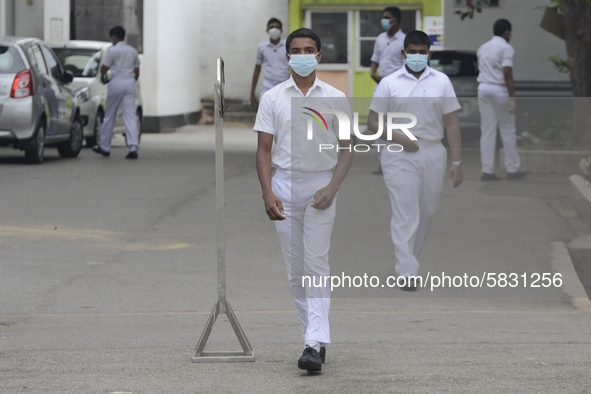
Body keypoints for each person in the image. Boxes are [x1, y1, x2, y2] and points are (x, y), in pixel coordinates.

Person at [254, 28, 354, 372]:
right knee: (296, 271)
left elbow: (347, 150)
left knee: (316, 264)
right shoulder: (273, 98)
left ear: (319, 56)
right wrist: (268, 191)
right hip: (284, 186)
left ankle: (313, 344)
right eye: (295, 50)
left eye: (308, 49)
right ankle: (313, 337)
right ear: (286, 56)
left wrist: (333, 187)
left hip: (320, 187)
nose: (302, 54)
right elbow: (264, 150)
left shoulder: (335, 97)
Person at [367, 30, 463, 290]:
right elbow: (373, 122)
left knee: (427, 212)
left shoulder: (441, 81)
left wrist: (457, 162)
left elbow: (451, 123)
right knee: (405, 211)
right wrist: (400, 139)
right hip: (398, 153)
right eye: (413, 51)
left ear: (429, 54)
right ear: (403, 53)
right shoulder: (389, 82)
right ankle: (407, 271)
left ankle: (408, 260)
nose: (417, 56)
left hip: (433, 151)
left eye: (423, 52)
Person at [477, 18, 525, 181]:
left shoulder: (482, 48)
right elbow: (507, 72)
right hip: (499, 90)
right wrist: (512, 98)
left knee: (487, 131)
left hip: (483, 88)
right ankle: (512, 169)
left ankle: (487, 170)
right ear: (507, 32)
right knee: (507, 129)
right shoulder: (506, 48)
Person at [92, 25, 140, 159]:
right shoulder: (133, 51)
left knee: (110, 115)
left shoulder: (112, 51)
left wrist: (104, 75)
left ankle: (105, 147)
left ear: (114, 37)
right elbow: (137, 72)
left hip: (116, 82)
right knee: (130, 115)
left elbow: (104, 69)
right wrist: (130, 80)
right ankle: (133, 147)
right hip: (130, 83)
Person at [369, 6, 406, 175]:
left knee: (397, 125)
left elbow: (407, 68)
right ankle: (382, 162)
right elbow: (374, 61)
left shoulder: (404, 40)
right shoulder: (380, 39)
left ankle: (396, 161)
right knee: (378, 126)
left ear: (396, 20)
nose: (383, 20)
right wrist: (373, 73)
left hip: (398, 88)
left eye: (387, 17)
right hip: (380, 86)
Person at [250, 18, 290, 109]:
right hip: (267, 86)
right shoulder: (262, 47)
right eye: (272, 27)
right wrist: (252, 93)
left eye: (277, 27)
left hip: (284, 85)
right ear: (267, 30)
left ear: (281, 30)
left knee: (284, 115)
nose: (274, 29)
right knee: (265, 116)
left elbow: (294, 66)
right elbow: (257, 69)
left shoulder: (287, 45)